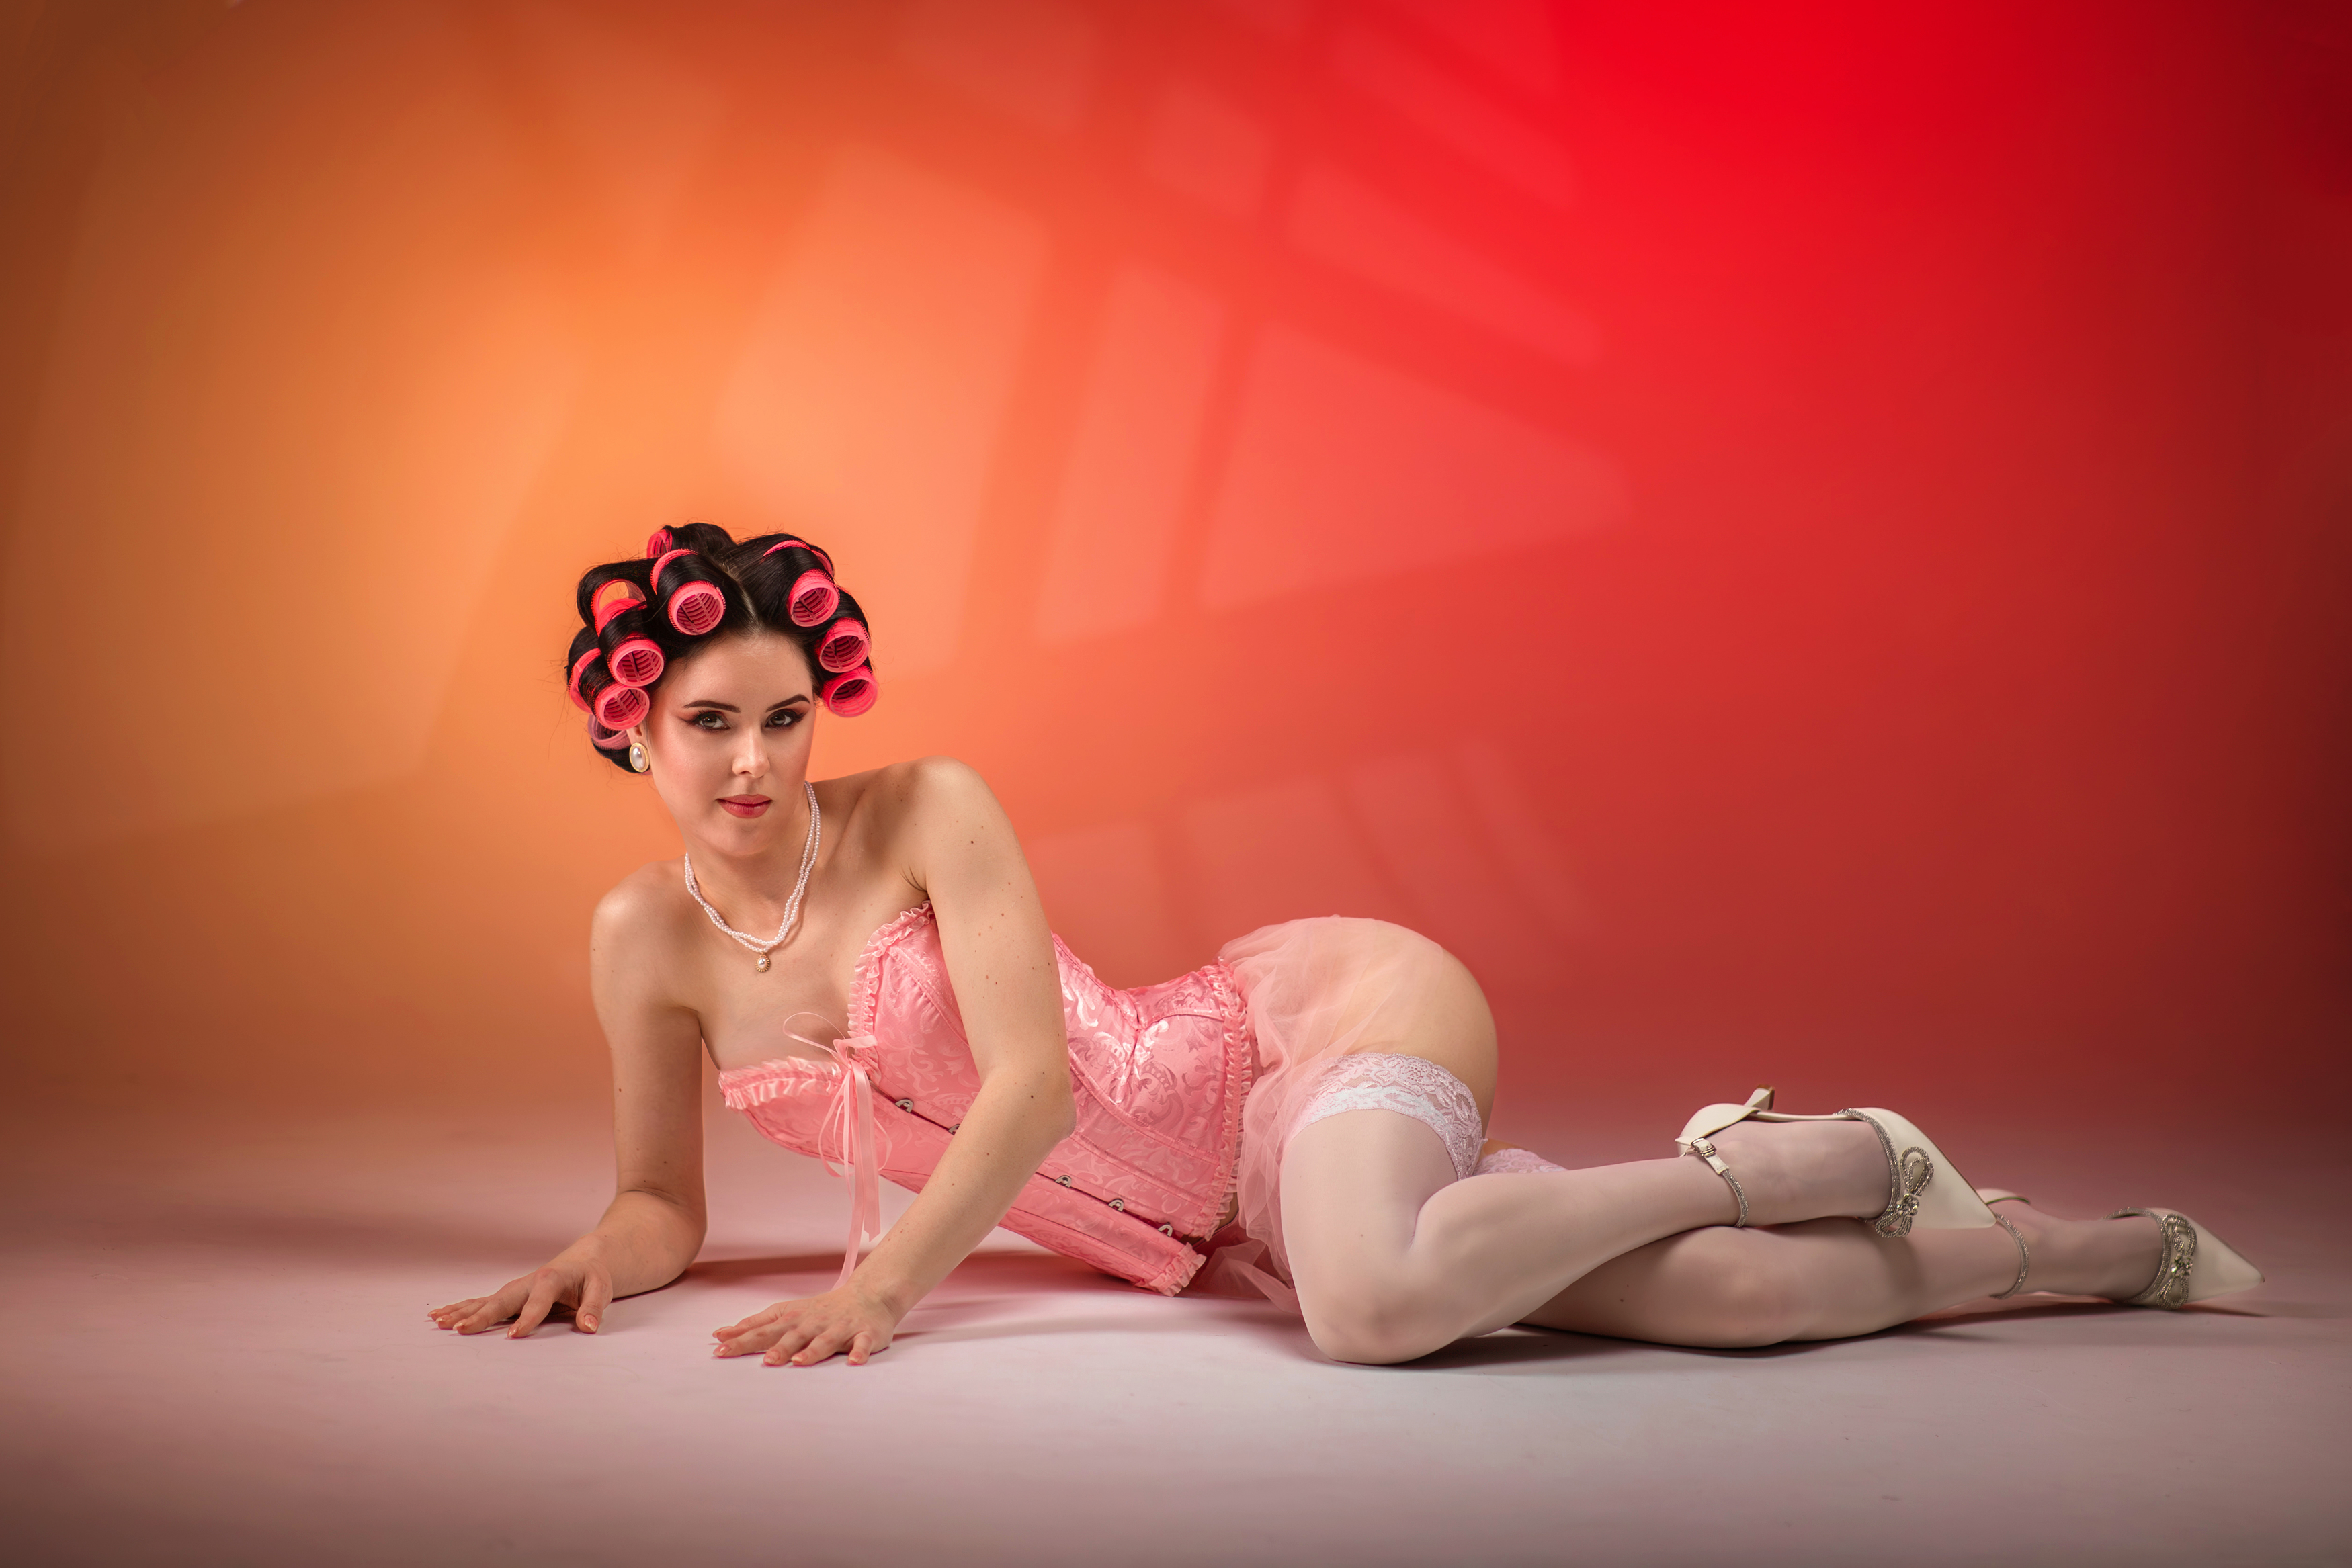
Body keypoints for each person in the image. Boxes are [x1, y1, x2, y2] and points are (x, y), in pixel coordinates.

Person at [429, 524, 2262, 1367]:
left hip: (1299, 1035)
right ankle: (2072, 1251)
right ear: (630, 730)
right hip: (1237, 1223)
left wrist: (885, 1292)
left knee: (1375, 1309)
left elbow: (1036, 1085)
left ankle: (1797, 1157)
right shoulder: (639, 941)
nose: (753, 763)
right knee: (1735, 1307)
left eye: (781, 717)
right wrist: (594, 1258)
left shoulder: (927, 808)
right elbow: (659, 1202)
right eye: (706, 728)